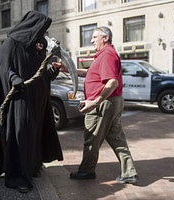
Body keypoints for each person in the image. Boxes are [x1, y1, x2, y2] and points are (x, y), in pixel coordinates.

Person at [0, 11, 63, 193]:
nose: (43, 33)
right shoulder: (11, 43)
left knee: (35, 135)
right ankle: (18, 176)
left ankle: (32, 167)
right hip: (20, 101)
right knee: (21, 135)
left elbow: (39, 74)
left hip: (37, 101)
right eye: (41, 29)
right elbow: (2, 66)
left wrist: (52, 71)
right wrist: (13, 77)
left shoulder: (35, 47)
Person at [58, 26, 138, 184]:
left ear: (105, 38)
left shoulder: (107, 54)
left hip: (103, 103)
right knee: (116, 138)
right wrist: (69, 70)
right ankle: (129, 172)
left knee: (92, 138)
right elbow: (90, 73)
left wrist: (95, 102)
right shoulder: (104, 55)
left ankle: (87, 170)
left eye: (95, 37)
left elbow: (112, 82)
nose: (91, 40)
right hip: (112, 101)